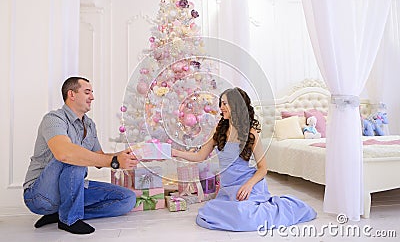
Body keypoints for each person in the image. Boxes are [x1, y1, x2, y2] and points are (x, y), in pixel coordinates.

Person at [172, 87, 317, 231]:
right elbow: (200, 156)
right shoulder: (219, 130)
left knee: (244, 216)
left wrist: (249, 185)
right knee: (210, 212)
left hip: (248, 184)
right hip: (228, 188)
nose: (221, 108)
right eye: (221, 104)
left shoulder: (251, 133)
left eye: (225, 104)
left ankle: (286, 208)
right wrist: (175, 152)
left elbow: (263, 168)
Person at [23, 76, 139, 235]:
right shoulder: (54, 119)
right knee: (74, 156)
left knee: (127, 199)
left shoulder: (89, 125)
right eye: (87, 92)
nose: (92, 97)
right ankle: (70, 219)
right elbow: (64, 154)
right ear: (71, 94)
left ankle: (61, 214)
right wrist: (112, 161)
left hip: (70, 187)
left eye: (92, 92)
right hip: (39, 194)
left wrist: (120, 156)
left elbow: (99, 158)